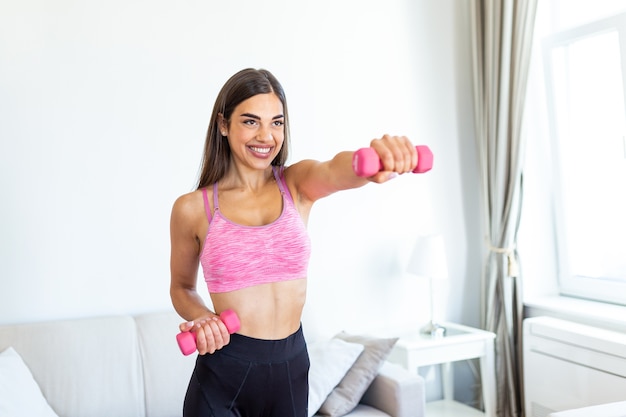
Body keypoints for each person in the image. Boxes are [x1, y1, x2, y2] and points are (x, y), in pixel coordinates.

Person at [169, 68, 419, 417]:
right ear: (223, 125)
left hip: (290, 367)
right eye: (251, 121)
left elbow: (336, 170)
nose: (267, 136)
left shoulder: (296, 184)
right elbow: (181, 288)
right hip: (224, 372)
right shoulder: (193, 208)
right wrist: (202, 318)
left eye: (277, 122)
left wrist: (371, 161)